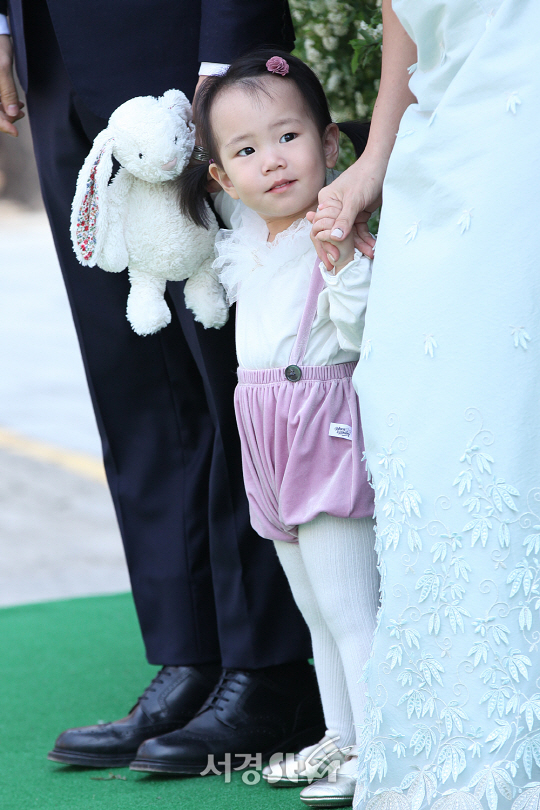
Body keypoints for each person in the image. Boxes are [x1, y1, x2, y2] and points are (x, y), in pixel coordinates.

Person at [0, 0, 324, 773]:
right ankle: (191, 656)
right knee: (130, 375)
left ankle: (269, 670)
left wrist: (226, 54)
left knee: (227, 370)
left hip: (182, 50)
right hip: (53, 54)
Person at [311, 1, 540, 808]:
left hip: (526, 151)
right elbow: (407, 45)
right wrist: (368, 168)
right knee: (424, 419)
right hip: (438, 157)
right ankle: (456, 741)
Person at [179, 49, 380, 807]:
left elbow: (361, 336)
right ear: (223, 183)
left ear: (330, 146)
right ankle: (343, 734)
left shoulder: (337, 233)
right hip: (263, 436)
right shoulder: (245, 233)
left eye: (289, 137)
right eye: (247, 150)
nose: (273, 162)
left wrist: (340, 264)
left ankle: (382, 743)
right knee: (310, 608)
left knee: (346, 603)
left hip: (323, 426)